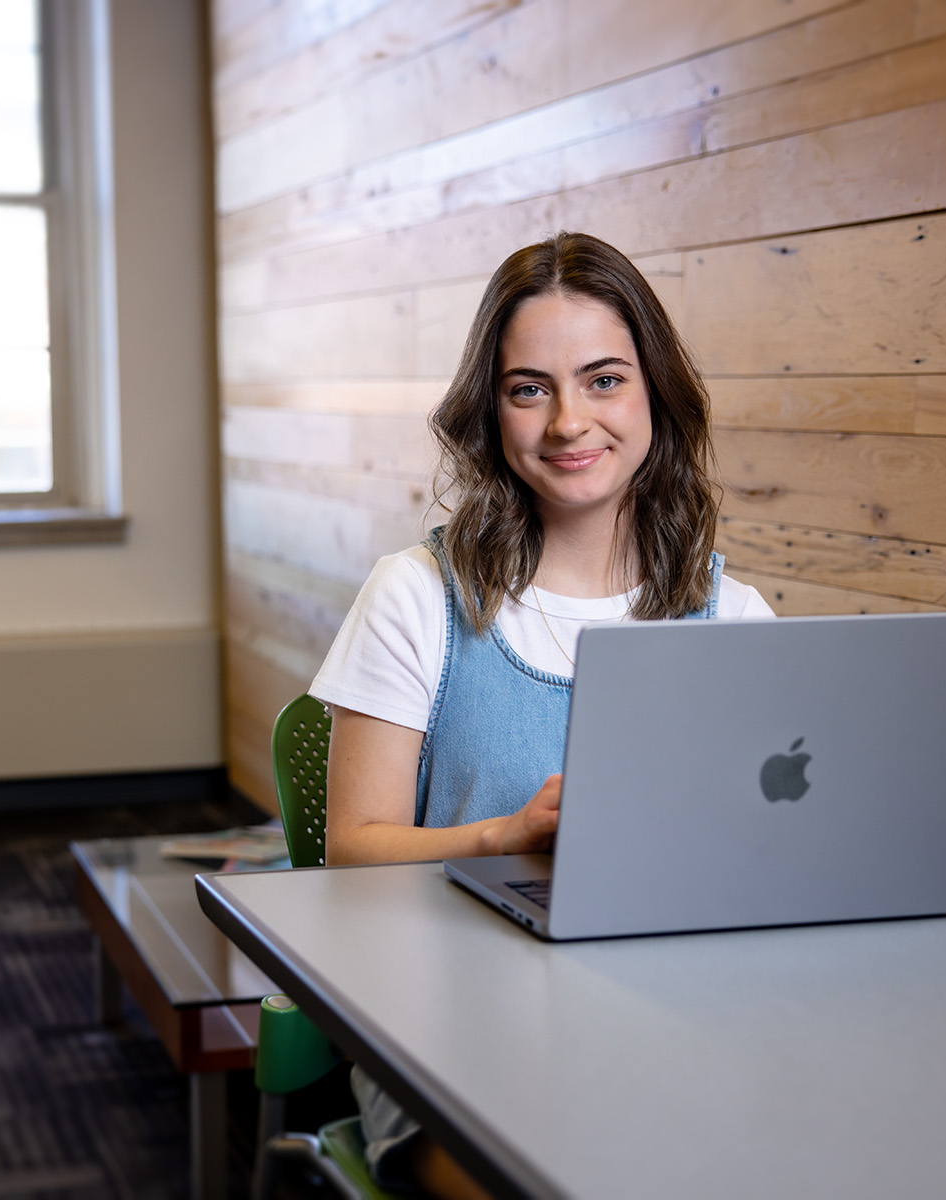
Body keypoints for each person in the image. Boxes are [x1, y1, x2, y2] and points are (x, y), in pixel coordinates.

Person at [304, 231, 775, 1196]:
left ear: (655, 396)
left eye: (604, 380)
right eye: (530, 389)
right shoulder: (414, 594)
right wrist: (503, 836)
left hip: (671, 1005)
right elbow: (349, 849)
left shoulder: (733, 615)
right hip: (445, 1017)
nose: (569, 421)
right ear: (493, 412)